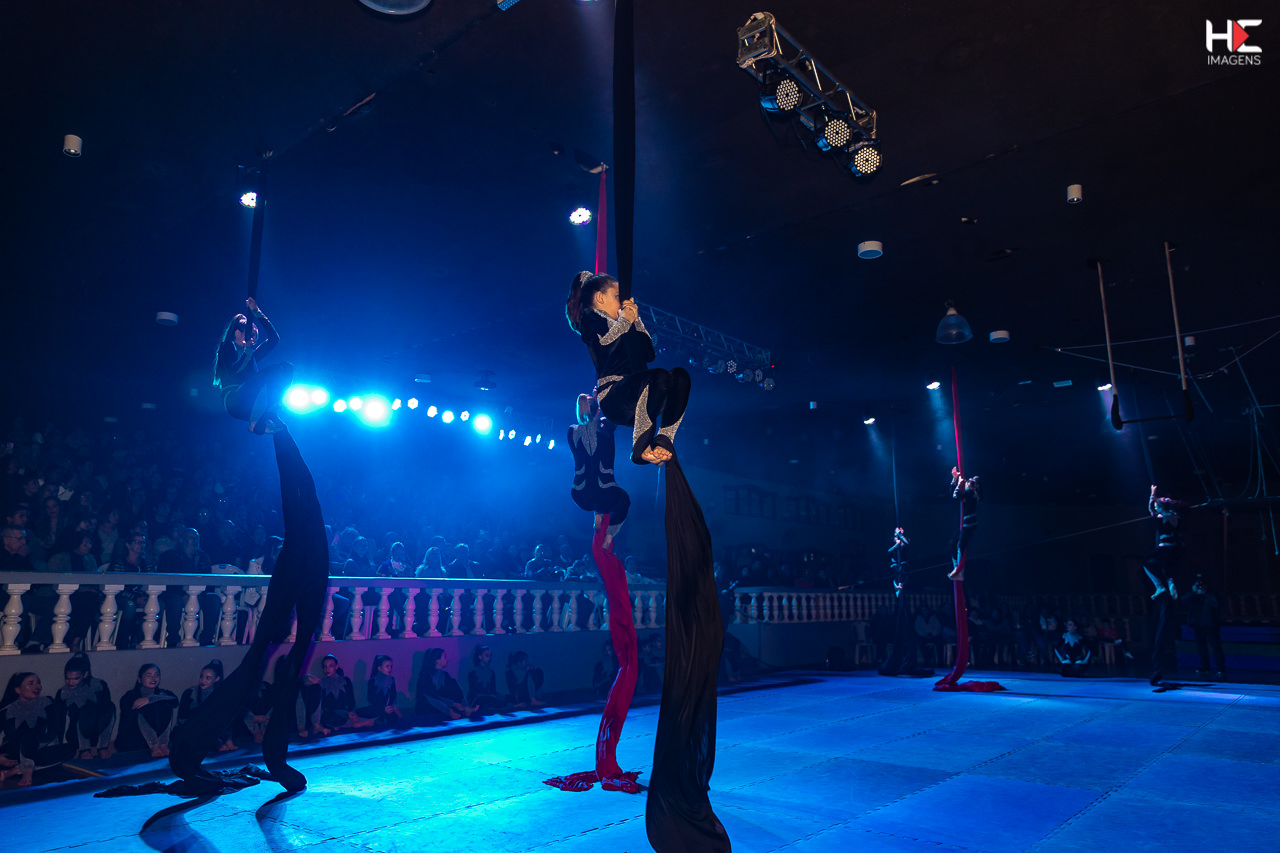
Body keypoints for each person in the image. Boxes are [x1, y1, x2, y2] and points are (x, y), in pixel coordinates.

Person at [565, 272, 690, 466]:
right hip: (615, 397)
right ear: (600, 298)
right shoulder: (591, 317)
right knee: (659, 375)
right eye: (617, 297)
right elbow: (605, 346)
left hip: (643, 396)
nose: (622, 302)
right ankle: (641, 447)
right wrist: (625, 321)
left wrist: (636, 321)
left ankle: (663, 439)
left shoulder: (626, 323)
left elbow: (649, 354)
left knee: (680, 376)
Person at [212, 297, 291, 435]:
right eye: (251, 335)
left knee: (287, 367)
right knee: (273, 370)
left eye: (255, 336)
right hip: (234, 400)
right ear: (237, 333)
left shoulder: (251, 355)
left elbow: (274, 339)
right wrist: (247, 353)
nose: (253, 339)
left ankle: (267, 413)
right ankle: (256, 422)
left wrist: (256, 311)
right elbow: (233, 372)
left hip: (250, 403)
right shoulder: (227, 347)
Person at [568, 392, 631, 549]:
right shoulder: (603, 426)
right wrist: (599, 401)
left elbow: (589, 424)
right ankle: (607, 531)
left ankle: (599, 516)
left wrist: (596, 403)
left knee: (600, 490)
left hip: (585, 493)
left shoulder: (574, 431)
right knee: (623, 500)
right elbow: (598, 423)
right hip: (601, 493)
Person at [1146, 484, 1189, 685]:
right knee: (1168, 573)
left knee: (1147, 563)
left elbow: (1156, 512)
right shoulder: (1168, 515)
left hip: (1167, 549)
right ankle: (1169, 585)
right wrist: (1152, 495)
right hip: (1172, 552)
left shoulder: (1170, 516)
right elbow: (1152, 509)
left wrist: (1156, 500)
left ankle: (1161, 586)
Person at [2, 672, 73, 786]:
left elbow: (53, 731)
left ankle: (17, 770)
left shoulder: (47, 703)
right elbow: (9, 739)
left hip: (38, 749)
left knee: (70, 749)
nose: (37, 687)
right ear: (18, 690)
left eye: (38, 683)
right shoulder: (7, 710)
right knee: (27, 734)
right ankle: (25, 768)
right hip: (14, 753)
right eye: (31, 683)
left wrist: (36, 745)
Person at [54, 652, 116, 760]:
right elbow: (59, 720)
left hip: (98, 727)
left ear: (85, 675)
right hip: (76, 735)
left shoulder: (98, 686)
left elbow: (106, 712)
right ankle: (84, 750)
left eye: (75, 678)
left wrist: (103, 745)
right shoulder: (63, 693)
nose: (70, 682)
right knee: (81, 712)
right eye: (67, 678)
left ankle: (102, 747)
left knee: (109, 707)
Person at [115, 663, 179, 758]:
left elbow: (174, 700)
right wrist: (148, 701)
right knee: (145, 707)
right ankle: (154, 746)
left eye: (156, 675)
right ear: (139, 679)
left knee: (165, 703)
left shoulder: (163, 694)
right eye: (149, 675)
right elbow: (128, 708)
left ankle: (163, 744)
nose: (153, 678)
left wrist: (150, 699)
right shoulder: (130, 695)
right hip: (135, 739)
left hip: (160, 739)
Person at [178, 660, 236, 752]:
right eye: (201, 676)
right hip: (191, 729)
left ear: (216, 679)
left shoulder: (220, 694)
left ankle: (227, 740)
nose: (203, 680)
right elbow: (182, 718)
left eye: (208, 678)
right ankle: (216, 743)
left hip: (213, 728)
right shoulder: (190, 693)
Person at [415, 648, 476, 721]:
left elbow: (454, 691)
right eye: (445, 657)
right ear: (438, 661)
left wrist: (459, 704)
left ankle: (465, 708)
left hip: (445, 705)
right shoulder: (425, 676)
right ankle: (450, 711)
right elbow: (432, 697)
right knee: (432, 698)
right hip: (427, 707)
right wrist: (452, 705)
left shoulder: (444, 675)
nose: (447, 660)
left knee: (453, 683)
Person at [1184, 575, 1225, 677]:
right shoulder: (1193, 595)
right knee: (1201, 647)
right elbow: (1183, 600)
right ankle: (1205, 666)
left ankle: (1221, 668)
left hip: (1211, 624)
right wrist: (1192, 591)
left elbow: (1217, 603)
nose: (1200, 586)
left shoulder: (1211, 594)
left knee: (1215, 647)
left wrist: (1205, 593)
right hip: (1197, 624)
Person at [949, 467, 979, 581]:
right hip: (966, 523)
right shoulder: (969, 493)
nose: (964, 485)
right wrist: (954, 479)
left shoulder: (970, 492)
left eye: (966, 484)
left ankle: (959, 571)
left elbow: (956, 496)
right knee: (954, 543)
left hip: (969, 523)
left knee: (960, 546)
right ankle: (956, 568)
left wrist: (958, 484)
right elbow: (953, 495)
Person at [357, 654, 401, 726]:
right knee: (363, 712)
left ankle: (376, 720)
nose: (390, 668)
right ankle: (373, 720)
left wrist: (391, 707)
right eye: (387, 666)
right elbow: (371, 698)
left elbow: (393, 696)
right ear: (379, 668)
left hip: (387, 709)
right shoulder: (373, 681)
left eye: (391, 666)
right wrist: (382, 708)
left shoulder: (391, 680)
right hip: (377, 708)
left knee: (393, 718)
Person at [467, 646, 506, 716]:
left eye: (490, 656)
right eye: (487, 656)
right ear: (480, 657)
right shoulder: (473, 672)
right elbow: (473, 691)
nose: (489, 658)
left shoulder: (491, 672)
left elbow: (493, 689)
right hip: (477, 699)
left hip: (488, 698)